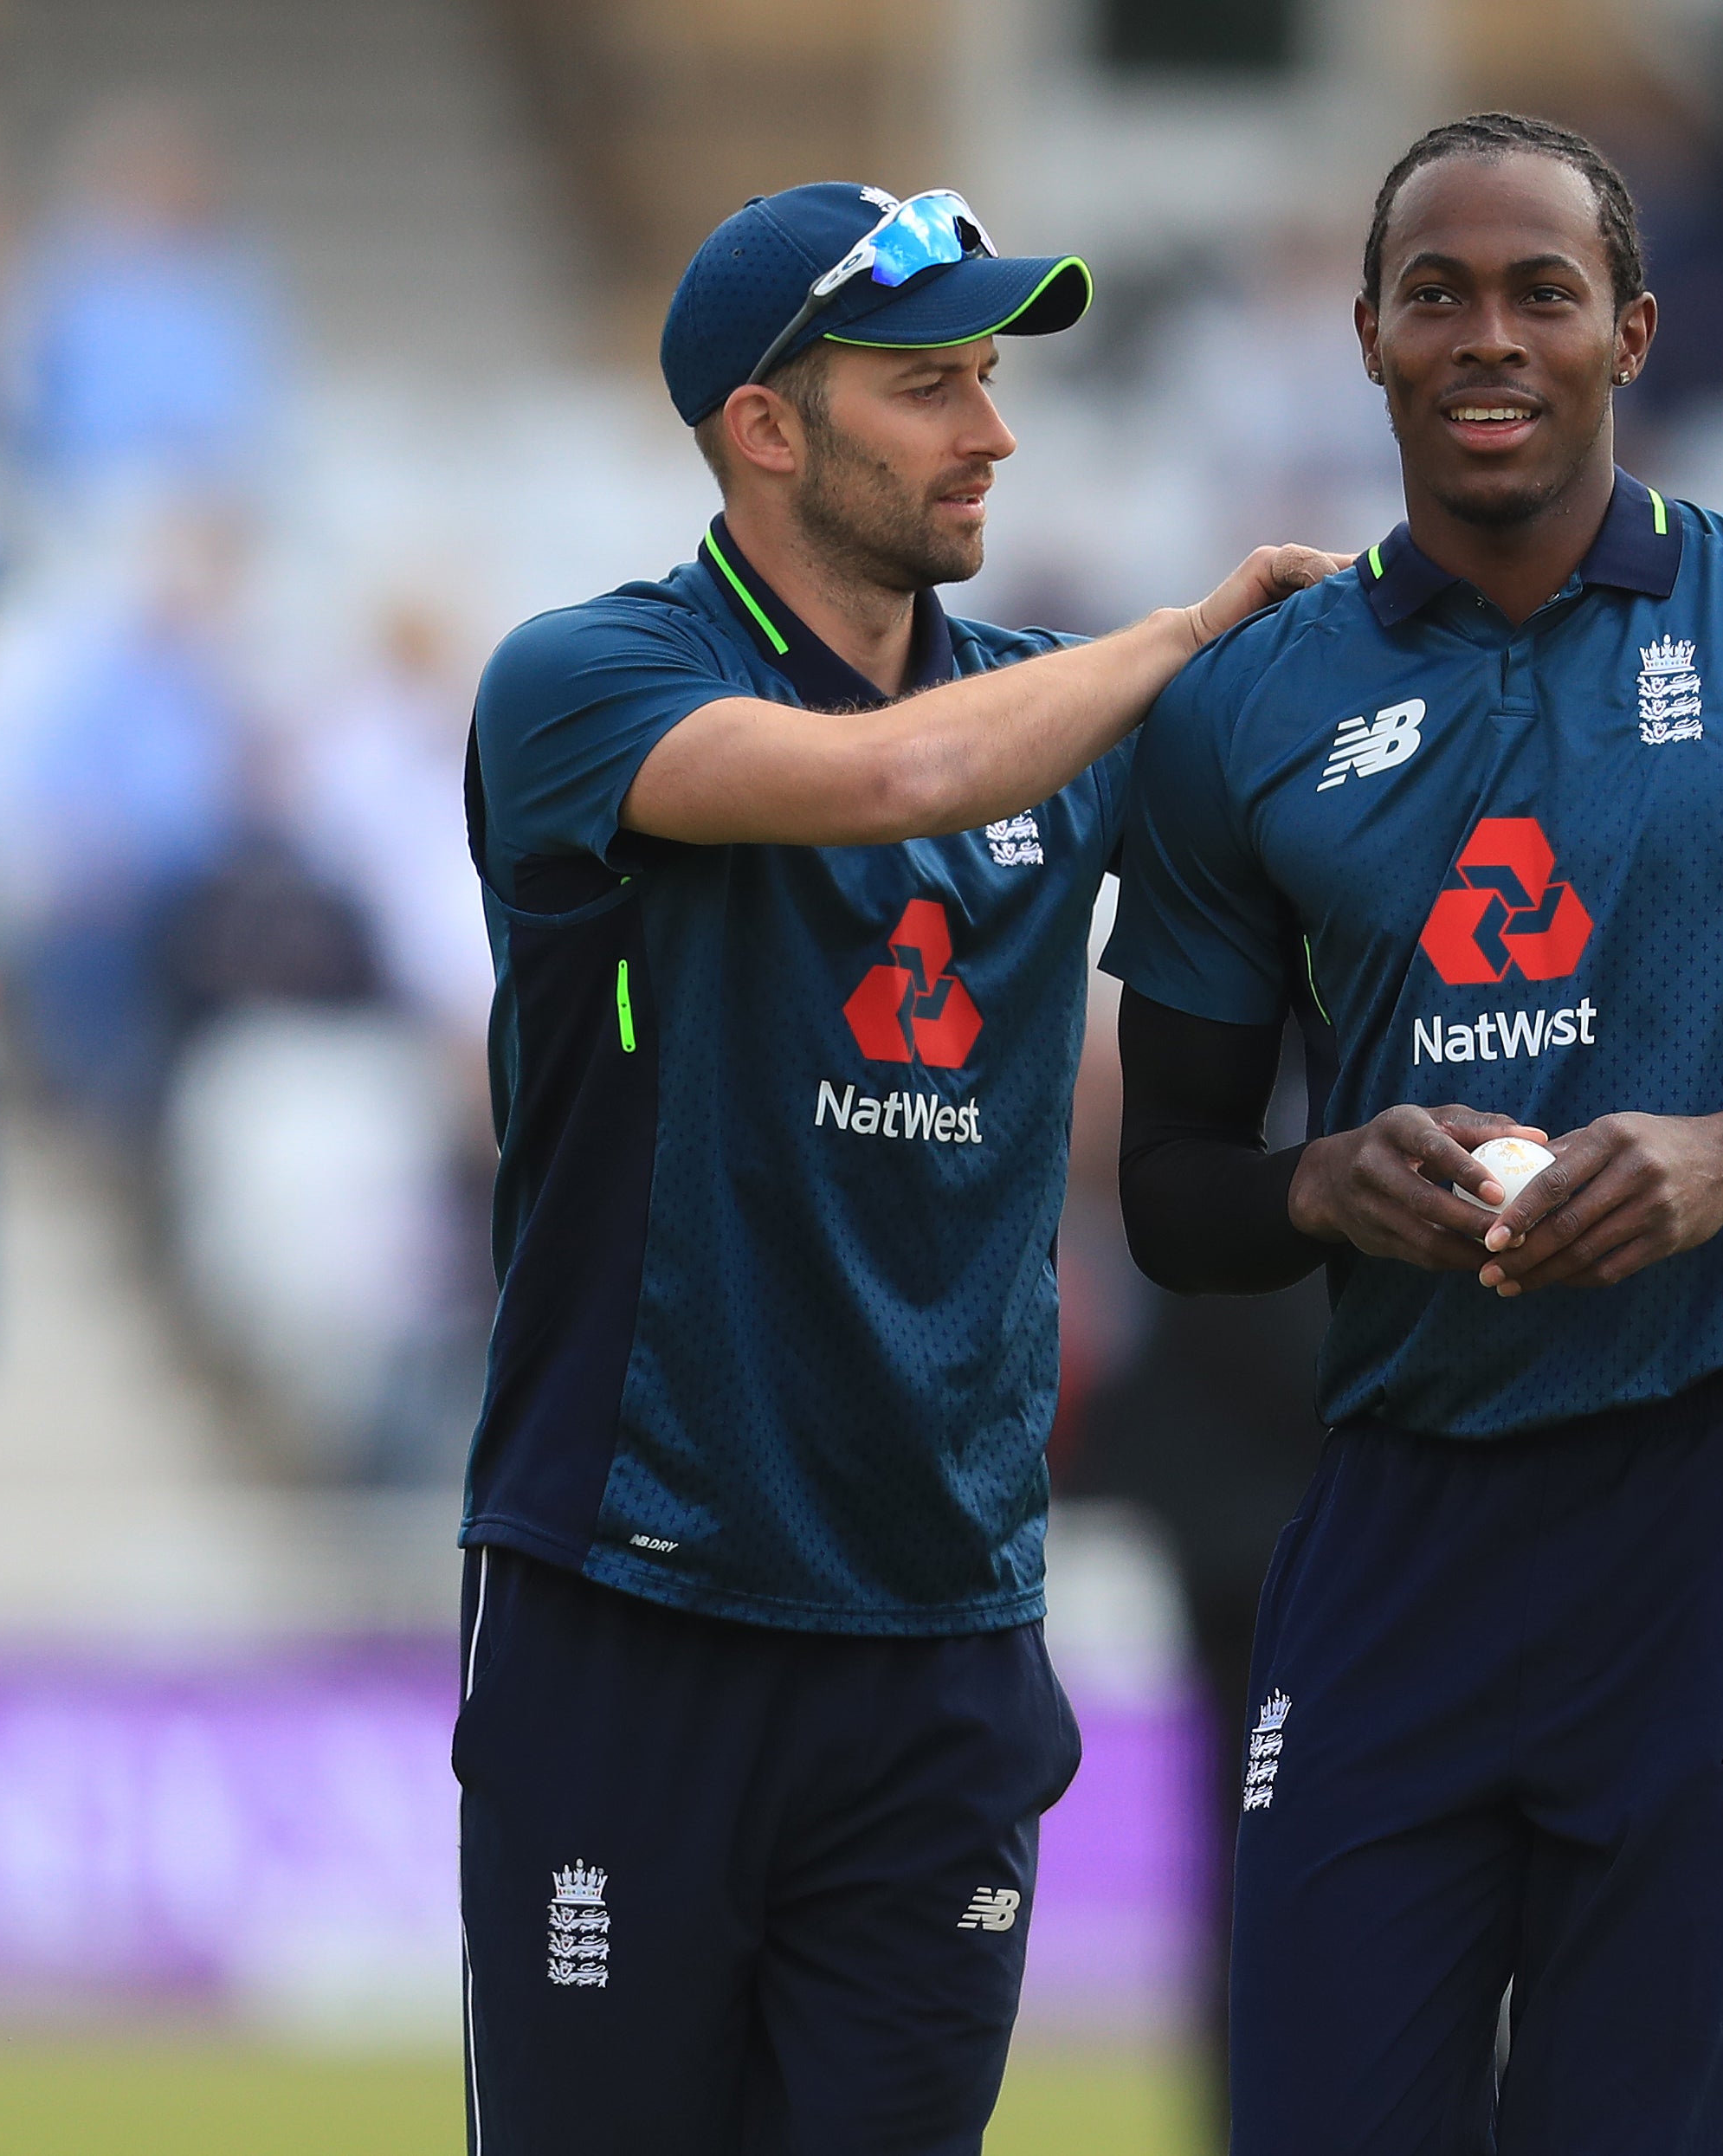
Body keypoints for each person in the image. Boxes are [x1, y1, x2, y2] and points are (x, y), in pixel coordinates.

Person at [1101, 115, 1723, 2153]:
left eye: (1539, 292)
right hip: (1393, 1517)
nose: (1489, 336)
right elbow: (1174, 1198)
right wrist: (1320, 1180)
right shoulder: (1238, 709)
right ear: (1366, 335)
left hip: (1719, 1509)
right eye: (1438, 293)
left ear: (1627, 330)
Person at [456, 181, 1337, 2154]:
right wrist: (1196, 630)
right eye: (929, 382)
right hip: (635, 1603)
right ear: (765, 425)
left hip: (943, 1638)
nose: (991, 430)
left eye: (994, 378)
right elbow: (897, 777)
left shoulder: (1062, 711)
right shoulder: (579, 683)